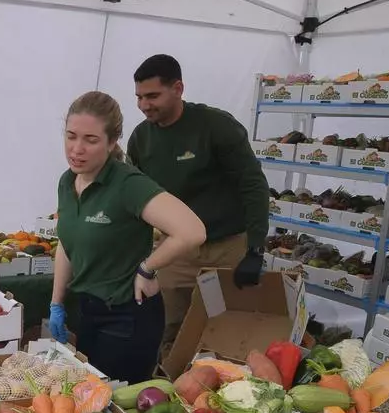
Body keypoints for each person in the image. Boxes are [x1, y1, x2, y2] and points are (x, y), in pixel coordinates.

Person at [48, 92, 206, 383]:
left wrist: (148, 267)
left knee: (113, 409)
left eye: (91, 140)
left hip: (127, 319)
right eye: (71, 136)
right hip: (88, 312)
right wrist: (57, 303)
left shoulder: (127, 185)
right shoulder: (67, 181)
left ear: (112, 142)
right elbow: (67, 244)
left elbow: (192, 231)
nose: (77, 149)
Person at [127, 54, 270, 358]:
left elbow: (253, 184)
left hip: (227, 247)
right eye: (139, 97)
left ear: (178, 88)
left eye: (153, 96)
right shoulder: (141, 139)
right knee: (167, 327)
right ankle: (167, 384)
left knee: (227, 327)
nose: (144, 105)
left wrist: (256, 249)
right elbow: (134, 199)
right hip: (176, 251)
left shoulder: (215, 126)